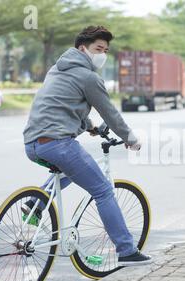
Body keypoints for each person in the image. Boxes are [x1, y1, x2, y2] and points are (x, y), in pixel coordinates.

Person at [22, 26, 151, 266]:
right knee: (102, 190)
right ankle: (126, 250)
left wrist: (92, 126)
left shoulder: (56, 70)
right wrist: (130, 137)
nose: (102, 54)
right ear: (83, 49)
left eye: (105, 50)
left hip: (32, 143)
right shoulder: (89, 77)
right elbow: (110, 112)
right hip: (57, 143)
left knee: (73, 169)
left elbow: (62, 105)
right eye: (97, 49)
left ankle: (36, 203)